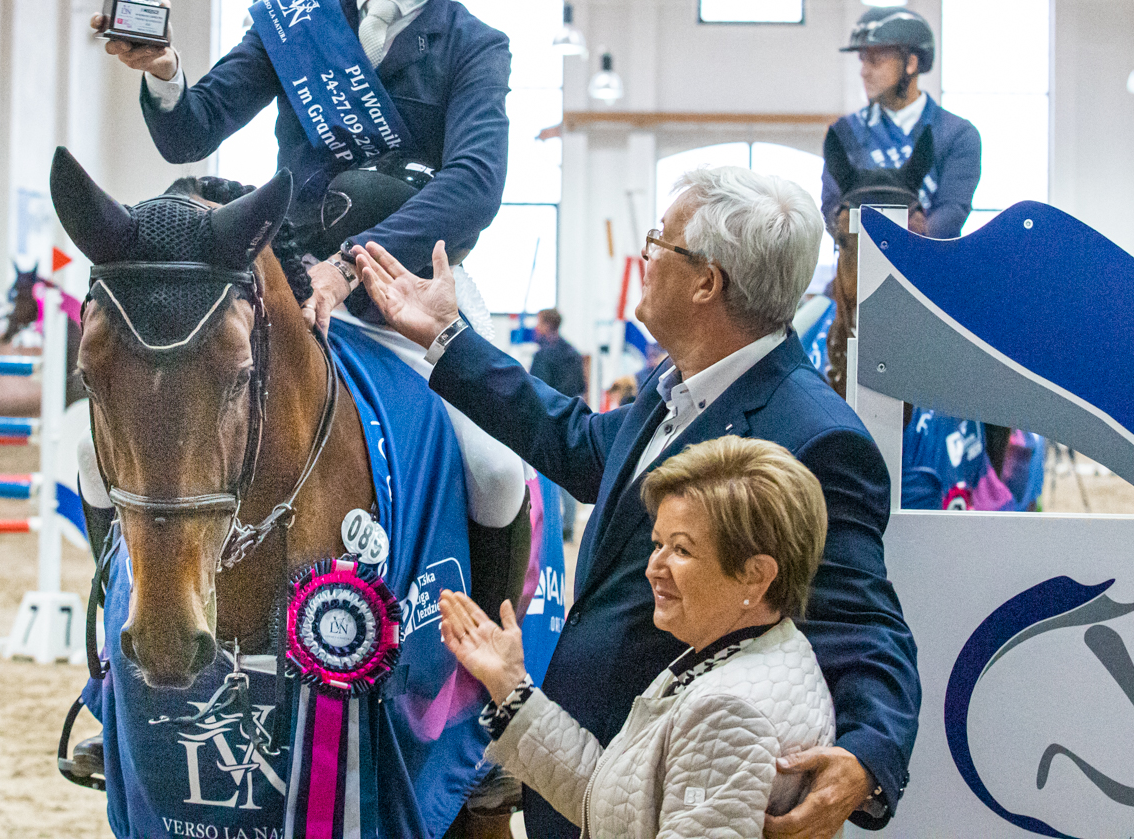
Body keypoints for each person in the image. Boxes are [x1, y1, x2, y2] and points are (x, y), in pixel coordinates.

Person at [354, 164, 921, 838]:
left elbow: (863, 621)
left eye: (659, 241)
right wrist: (448, 338)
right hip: (591, 773)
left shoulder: (814, 435)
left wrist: (867, 757)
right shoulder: (675, 384)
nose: (644, 257)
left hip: (674, 790)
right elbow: (578, 444)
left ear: (708, 281)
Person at [93, 0, 528, 548]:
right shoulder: (294, 22)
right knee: (102, 447)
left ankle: (479, 637)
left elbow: (475, 184)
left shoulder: (476, 46)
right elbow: (191, 132)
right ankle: (122, 611)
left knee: (496, 467)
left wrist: (354, 264)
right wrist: (164, 68)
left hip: (412, 285)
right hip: (285, 274)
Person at [441, 435, 835, 836]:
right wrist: (510, 687)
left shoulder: (727, 714)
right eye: (658, 544)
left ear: (756, 576)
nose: (654, 568)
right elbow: (623, 805)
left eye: (681, 550)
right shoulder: (747, 652)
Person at [822, 8, 980, 240]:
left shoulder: (958, 135)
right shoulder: (845, 132)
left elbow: (952, 211)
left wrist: (906, 237)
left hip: (927, 267)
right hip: (859, 266)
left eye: (875, 61)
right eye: (862, 60)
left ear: (911, 63)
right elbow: (831, 207)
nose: (864, 72)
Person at [529, 308, 586, 402]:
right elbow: (581, 386)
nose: (536, 328)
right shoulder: (573, 352)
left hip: (550, 409)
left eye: (539, 323)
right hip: (570, 408)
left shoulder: (543, 356)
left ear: (547, 325)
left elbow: (537, 388)